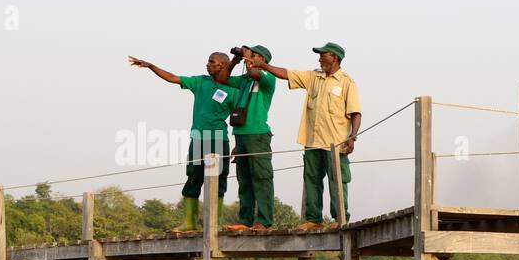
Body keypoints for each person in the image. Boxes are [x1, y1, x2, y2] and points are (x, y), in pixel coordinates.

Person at [128, 52, 237, 233]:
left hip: (218, 139)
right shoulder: (200, 82)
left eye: (212, 62)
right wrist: (150, 65)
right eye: (208, 60)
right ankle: (189, 222)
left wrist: (237, 143)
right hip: (197, 139)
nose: (207, 64)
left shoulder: (233, 88)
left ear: (224, 65)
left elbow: (238, 118)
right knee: (193, 177)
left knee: (217, 180)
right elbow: (172, 78)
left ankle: (215, 223)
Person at [257, 42, 361, 230]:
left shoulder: (347, 82)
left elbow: (356, 113)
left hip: (336, 143)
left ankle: (340, 219)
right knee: (312, 179)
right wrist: (264, 66)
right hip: (312, 141)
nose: (319, 58)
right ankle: (313, 219)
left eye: (323, 55)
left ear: (335, 58)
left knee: (337, 180)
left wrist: (352, 138)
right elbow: (287, 73)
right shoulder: (314, 77)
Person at [224, 45, 277, 231]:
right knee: (244, 179)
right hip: (241, 135)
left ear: (262, 59)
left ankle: (264, 221)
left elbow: (255, 73)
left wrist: (248, 59)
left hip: (258, 135)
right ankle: (245, 220)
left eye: (254, 55)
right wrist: (235, 60)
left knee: (261, 178)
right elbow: (223, 79)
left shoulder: (268, 78)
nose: (250, 57)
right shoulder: (245, 80)